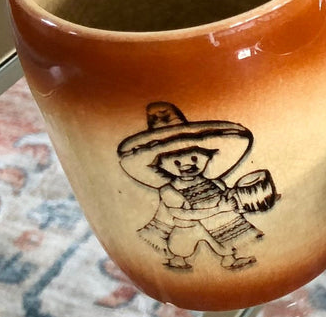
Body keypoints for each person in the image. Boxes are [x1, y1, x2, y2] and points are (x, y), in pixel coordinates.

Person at [117, 102, 277, 272]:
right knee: (182, 248)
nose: (187, 165)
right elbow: (180, 213)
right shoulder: (169, 191)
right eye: (177, 162)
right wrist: (217, 210)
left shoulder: (213, 182)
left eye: (194, 159)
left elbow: (225, 195)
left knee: (223, 243)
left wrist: (242, 198)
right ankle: (178, 261)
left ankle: (229, 260)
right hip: (186, 228)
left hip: (213, 226)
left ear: (207, 157)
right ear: (161, 165)